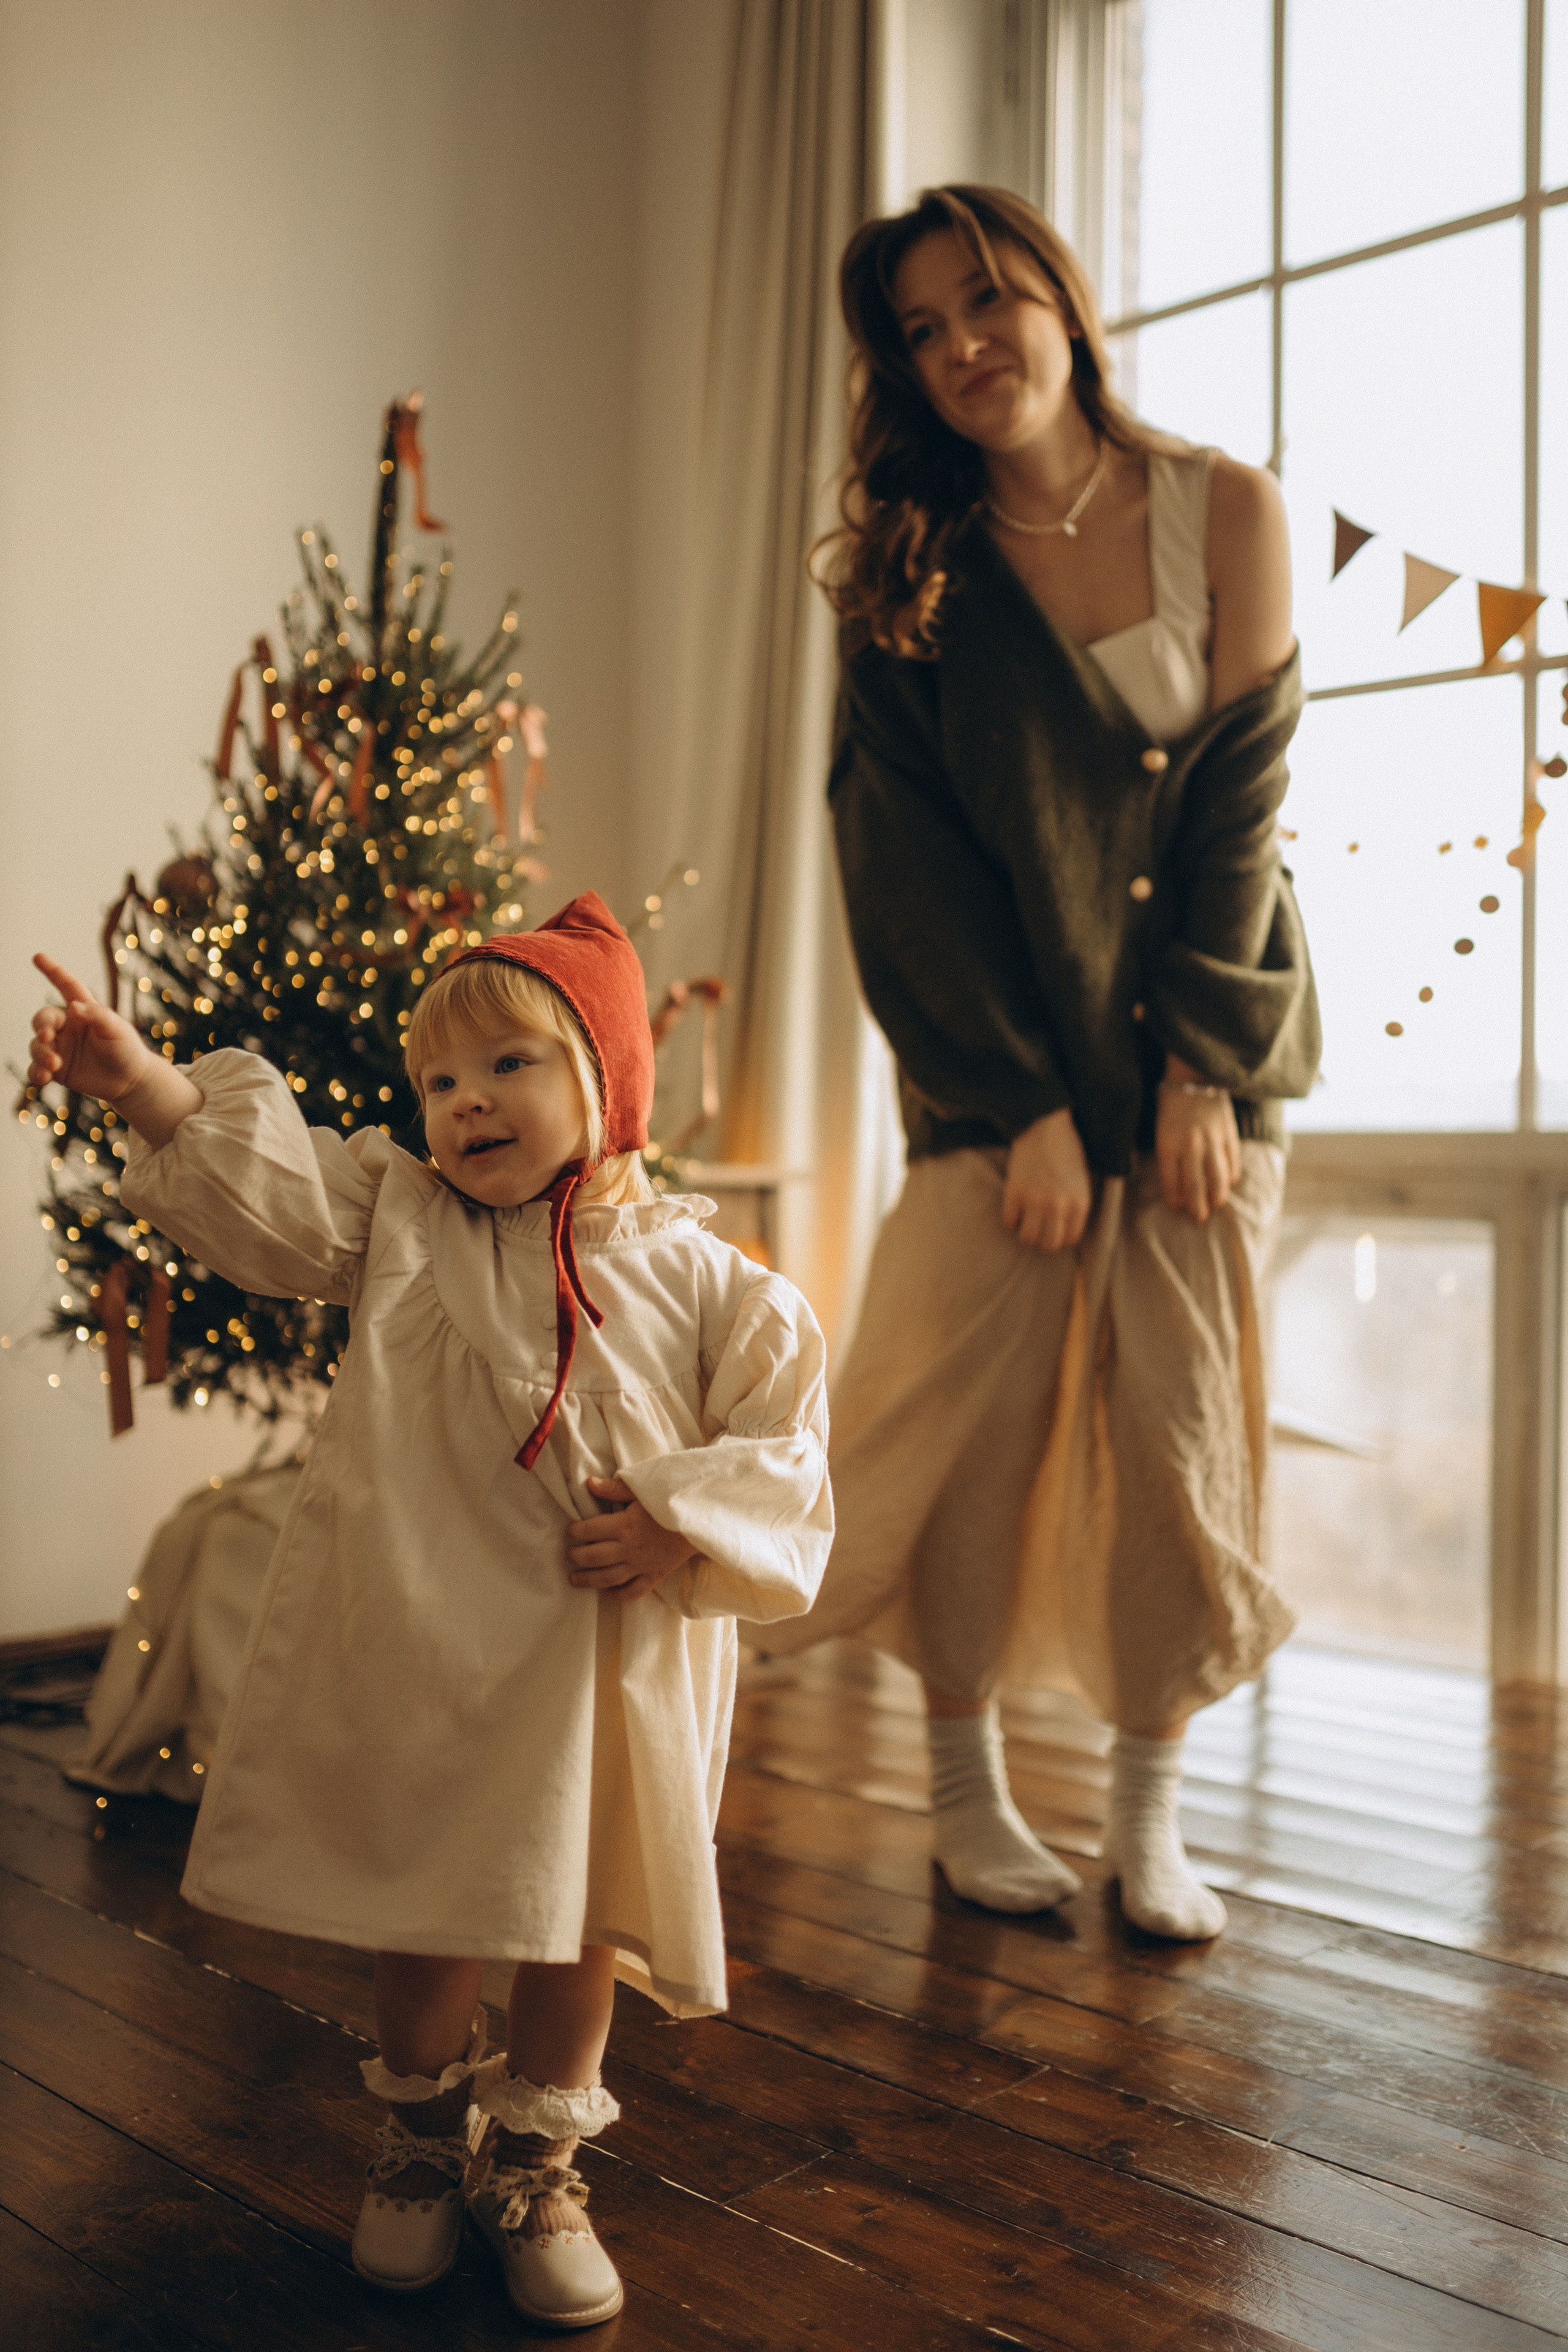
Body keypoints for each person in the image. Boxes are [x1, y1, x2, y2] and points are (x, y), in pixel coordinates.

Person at [27, 892, 832, 2328]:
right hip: (427, 1644)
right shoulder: (396, 1217)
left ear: (603, 1074)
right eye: (437, 1083)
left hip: (596, 1672)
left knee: (571, 1914)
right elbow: (267, 1201)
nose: (461, 1106)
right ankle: (415, 2140)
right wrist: (142, 1083)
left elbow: (786, 1459)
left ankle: (533, 2160)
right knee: (428, 1902)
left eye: (504, 1067)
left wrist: (671, 1524)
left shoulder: (715, 1288)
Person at [755, 185, 1319, 1942]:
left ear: (1062, 303)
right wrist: (1023, 1111)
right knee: (961, 1434)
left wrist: (1199, 1073)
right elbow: (903, 871)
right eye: (919, 331)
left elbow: (1241, 804)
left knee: (1178, 1439)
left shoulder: (1228, 509)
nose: (960, 349)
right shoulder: (907, 584)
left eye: (985, 302)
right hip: (999, 1086)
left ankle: (1150, 1818)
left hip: (1207, 1071)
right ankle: (963, 1793)